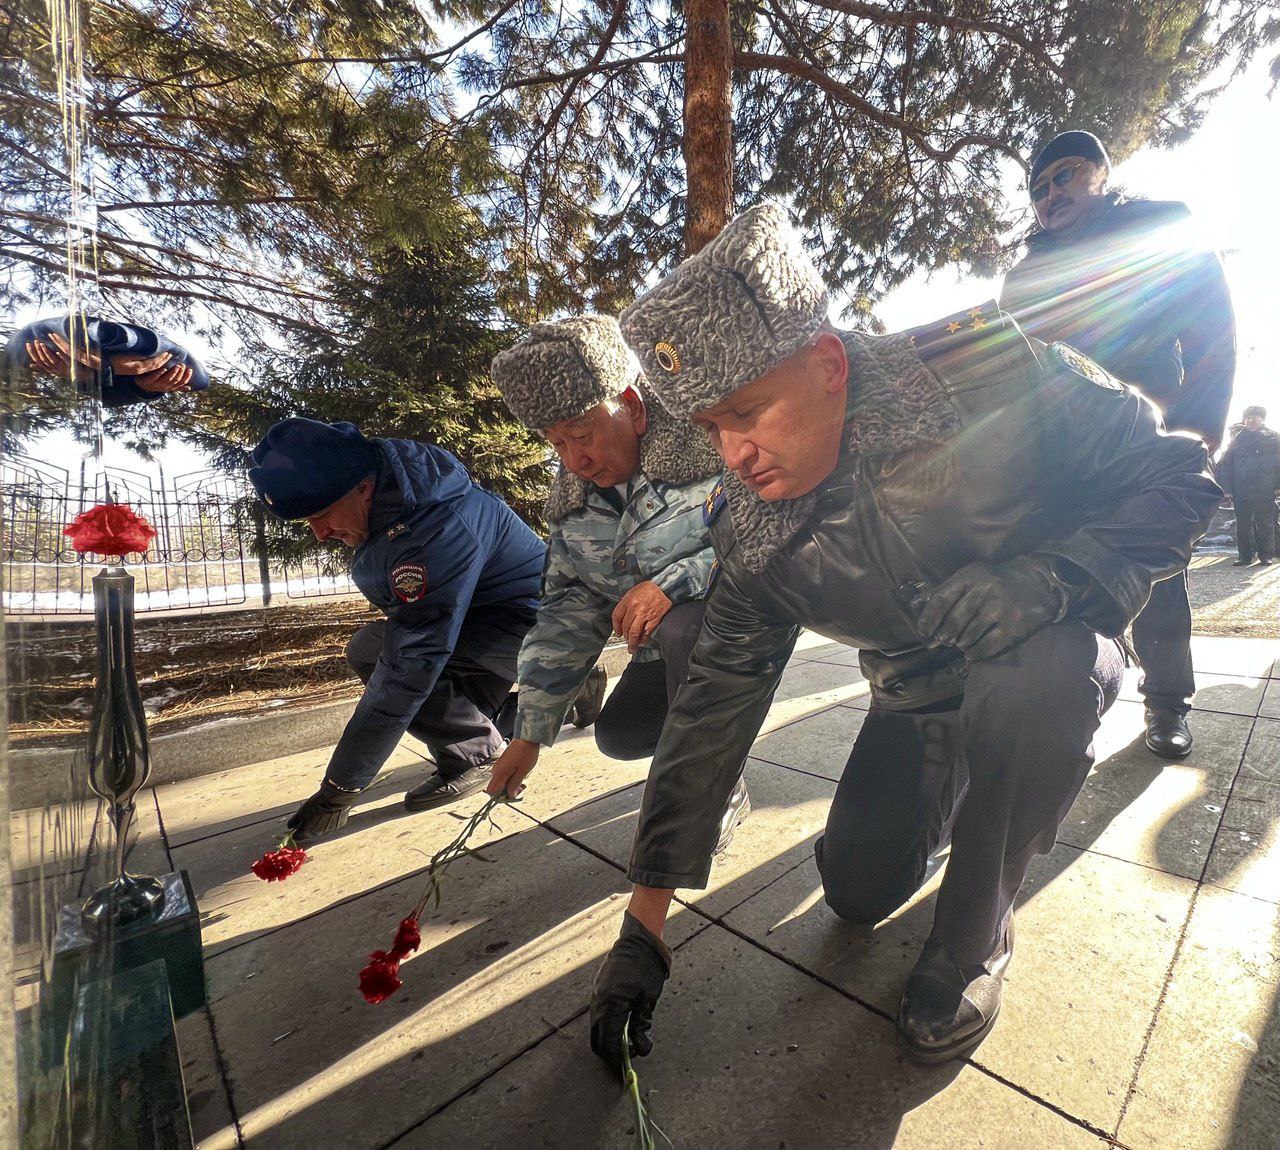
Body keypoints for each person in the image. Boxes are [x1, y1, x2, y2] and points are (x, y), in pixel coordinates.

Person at [587, 203, 1220, 1073]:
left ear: (828, 364)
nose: (733, 453)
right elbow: (709, 710)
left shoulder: (992, 376)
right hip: (918, 700)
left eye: (749, 411)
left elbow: (1177, 475)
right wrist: (644, 927)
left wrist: (1052, 579)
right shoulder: (751, 528)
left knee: (1037, 685)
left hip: (1048, 643)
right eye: (710, 427)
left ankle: (976, 935)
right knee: (856, 893)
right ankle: (966, 780)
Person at [999, 130, 1237, 760]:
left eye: (1066, 175)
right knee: (1061, 575)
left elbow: (1212, 336)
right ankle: (1065, 707)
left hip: (1149, 436)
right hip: (1059, 453)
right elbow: (1010, 368)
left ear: (1102, 174)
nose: (1051, 194)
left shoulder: (1158, 230)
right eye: (1039, 189)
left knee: (1159, 577)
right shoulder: (1024, 277)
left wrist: (1197, 433)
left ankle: (1168, 702)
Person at [485, 316, 750, 849]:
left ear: (631, 404)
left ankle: (715, 790)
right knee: (621, 735)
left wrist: (673, 583)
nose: (574, 461)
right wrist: (529, 734)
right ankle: (708, 747)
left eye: (582, 435)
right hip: (668, 649)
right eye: (556, 444)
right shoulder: (573, 506)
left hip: (747, 626)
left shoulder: (711, 445)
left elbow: (762, 535)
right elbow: (567, 611)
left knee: (684, 627)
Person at [247, 417, 546, 843]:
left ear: (363, 487)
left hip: (530, 627)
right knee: (408, 670)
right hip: (480, 622)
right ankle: (555, 701)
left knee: (377, 652)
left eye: (322, 515)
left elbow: (412, 664)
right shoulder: (397, 500)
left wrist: (339, 789)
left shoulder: (430, 531)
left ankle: (478, 754)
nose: (320, 534)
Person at [6, 315, 208, 405]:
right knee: (20, 347)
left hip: (69, 334)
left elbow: (198, 378)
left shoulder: (44, 335)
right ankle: (118, 340)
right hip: (138, 362)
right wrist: (140, 385)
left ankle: (103, 338)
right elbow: (106, 399)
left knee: (196, 378)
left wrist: (103, 367)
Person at [1217, 406, 1280, 566]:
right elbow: (1226, 465)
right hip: (1241, 489)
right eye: (1248, 418)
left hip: (1265, 488)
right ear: (1244, 421)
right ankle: (1244, 556)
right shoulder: (1236, 440)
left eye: (1255, 418)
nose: (1251, 421)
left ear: (1262, 419)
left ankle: (1266, 556)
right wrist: (1227, 489)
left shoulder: (1274, 438)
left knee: (1265, 523)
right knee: (1243, 524)